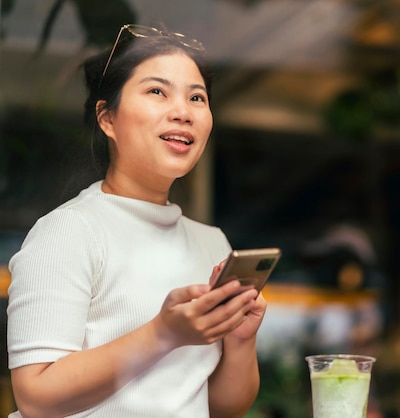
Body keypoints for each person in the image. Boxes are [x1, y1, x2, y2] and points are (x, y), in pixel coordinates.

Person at [6, 24, 266, 417]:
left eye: (197, 97)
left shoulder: (213, 244)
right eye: (157, 91)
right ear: (107, 119)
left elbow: (221, 408)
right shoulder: (68, 232)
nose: (182, 112)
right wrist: (164, 334)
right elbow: (35, 397)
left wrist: (242, 339)